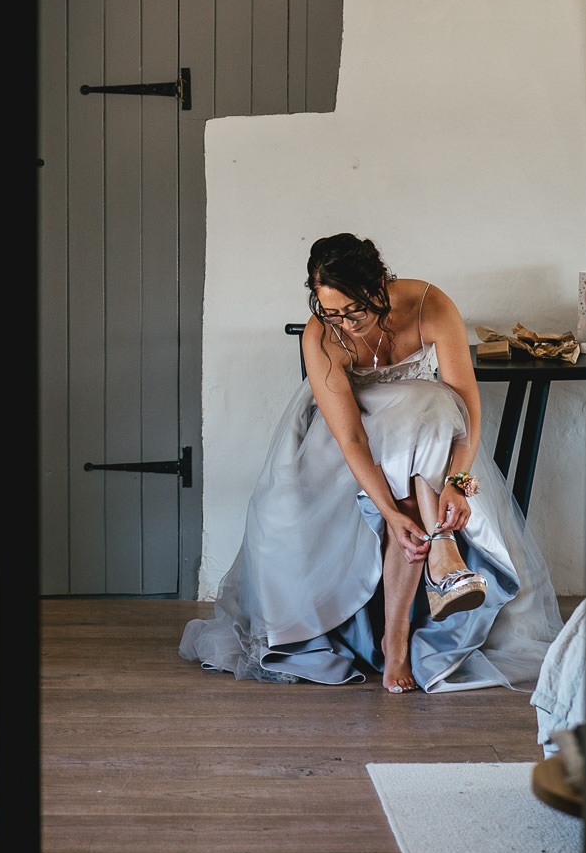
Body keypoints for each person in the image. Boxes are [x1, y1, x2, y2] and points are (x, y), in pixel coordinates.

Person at [179, 233, 562, 694]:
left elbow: (467, 406)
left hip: (428, 435)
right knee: (420, 433)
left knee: (434, 408)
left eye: (354, 311)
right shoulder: (323, 336)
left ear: (380, 286)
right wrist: (389, 513)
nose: (344, 323)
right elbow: (351, 436)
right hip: (348, 441)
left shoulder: (429, 304)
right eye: (330, 311)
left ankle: (397, 636)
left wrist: (459, 482)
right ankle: (441, 557)